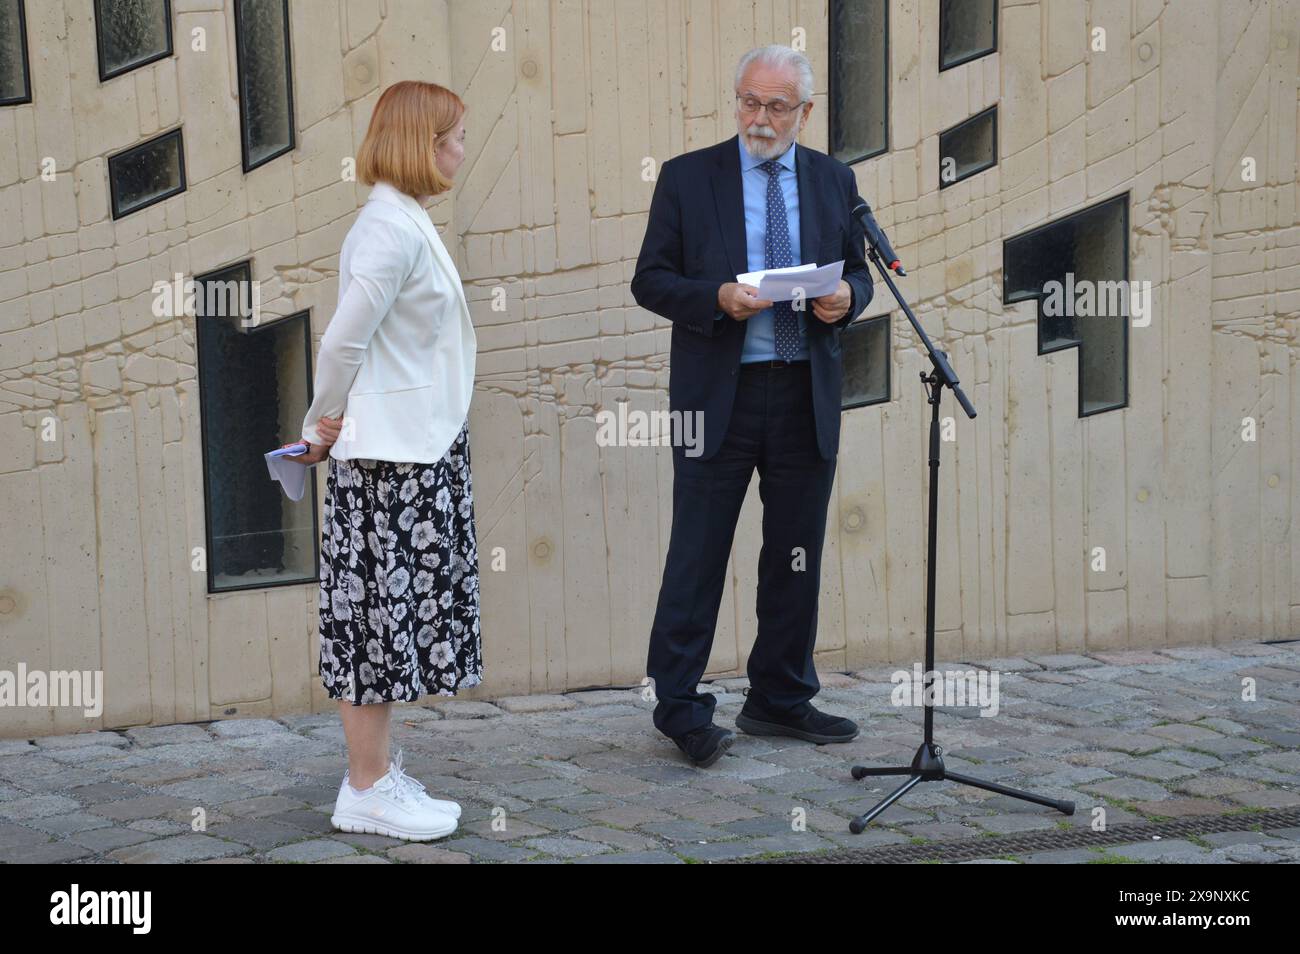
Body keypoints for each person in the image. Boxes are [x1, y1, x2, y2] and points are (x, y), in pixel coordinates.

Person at [631, 45, 874, 767]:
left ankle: (779, 697)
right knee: (697, 556)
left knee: (794, 557)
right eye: (747, 102)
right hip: (720, 397)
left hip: (805, 393)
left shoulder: (834, 179)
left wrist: (847, 300)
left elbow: (860, 273)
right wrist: (714, 297)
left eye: (774, 106)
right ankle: (680, 709)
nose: (758, 119)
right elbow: (650, 280)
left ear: (805, 111)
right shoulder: (687, 178)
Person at [282, 79, 479, 840]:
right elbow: (341, 341)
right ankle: (365, 788)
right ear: (425, 144)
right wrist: (318, 424)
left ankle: (374, 775)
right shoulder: (387, 230)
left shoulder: (404, 221)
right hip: (388, 460)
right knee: (371, 622)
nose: (463, 148)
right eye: (454, 136)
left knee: (387, 623)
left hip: (413, 451)